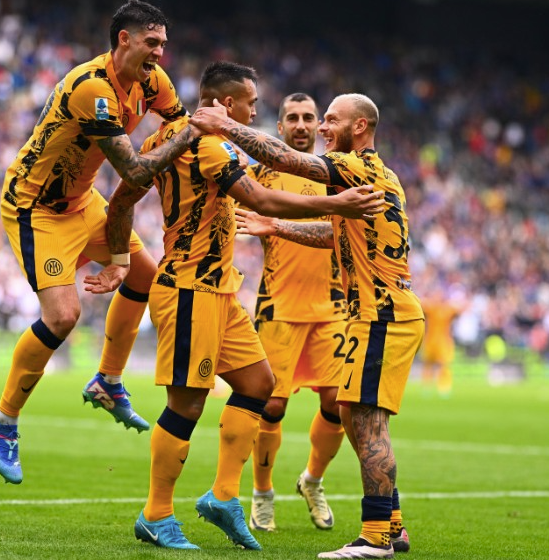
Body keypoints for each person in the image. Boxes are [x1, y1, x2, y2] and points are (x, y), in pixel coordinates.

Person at [89, 62, 385, 550]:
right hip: (189, 288)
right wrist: (338, 204)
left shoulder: (162, 141)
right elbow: (260, 200)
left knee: (258, 385)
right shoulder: (209, 144)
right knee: (187, 403)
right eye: (250, 103)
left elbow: (120, 201)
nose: (253, 112)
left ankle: (224, 497)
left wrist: (121, 258)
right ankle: (156, 514)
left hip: (218, 288)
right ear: (227, 104)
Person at [0, 0, 204, 485]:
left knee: (146, 273)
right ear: (124, 39)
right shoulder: (92, 89)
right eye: (152, 42)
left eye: (163, 44)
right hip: (37, 207)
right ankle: (3, 420)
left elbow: (182, 129)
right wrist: (196, 131)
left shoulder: (153, 82)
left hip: (83, 201)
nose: (160, 53)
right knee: (62, 316)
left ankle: (108, 380)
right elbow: (136, 170)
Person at [193, 92, 423, 559]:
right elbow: (331, 232)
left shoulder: (355, 165)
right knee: (354, 417)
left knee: (367, 422)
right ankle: (392, 525)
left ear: (359, 127)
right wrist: (279, 229)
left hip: (380, 313)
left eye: (330, 119)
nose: (321, 128)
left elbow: (284, 158)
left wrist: (226, 125)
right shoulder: (377, 175)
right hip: (370, 312)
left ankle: (376, 537)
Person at [240, 93, 347, 533]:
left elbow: (343, 233)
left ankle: (312, 481)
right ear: (280, 127)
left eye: (308, 117)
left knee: (339, 404)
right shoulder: (258, 175)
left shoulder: (336, 175)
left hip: (331, 307)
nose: (301, 125)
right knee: (272, 406)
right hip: (279, 306)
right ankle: (262, 492)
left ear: (319, 126)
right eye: (292, 118)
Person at [421, 286, 466, 397]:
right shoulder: (431, 307)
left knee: (444, 364)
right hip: (431, 339)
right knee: (428, 363)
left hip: (444, 340)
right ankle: (427, 386)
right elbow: (421, 304)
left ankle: (444, 386)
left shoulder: (447, 309)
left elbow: (460, 310)